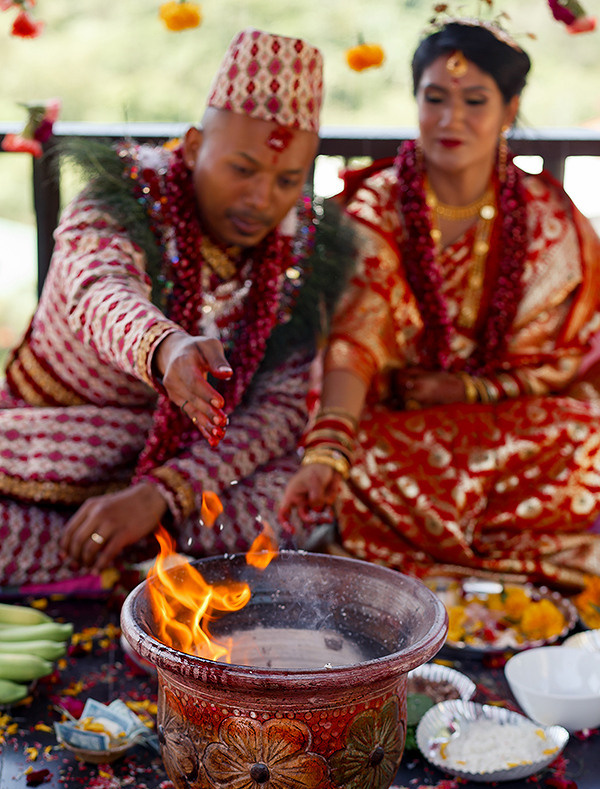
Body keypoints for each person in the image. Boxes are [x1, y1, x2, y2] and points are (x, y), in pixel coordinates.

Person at [0, 28, 351, 589]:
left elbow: (281, 409)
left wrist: (163, 492)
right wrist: (164, 346)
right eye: (242, 169)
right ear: (191, 146)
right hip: (52, 447)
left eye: (287, 179)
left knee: (297, 505)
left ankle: (129, 567)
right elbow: (99, 288)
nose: (262, 199)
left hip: (190, 467)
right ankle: (156, 575)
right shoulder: (124, 196)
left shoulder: (303, 248)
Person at [279, 14, 600, 591]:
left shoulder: (553, 220)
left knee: (586, 432)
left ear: (509, 108)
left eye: (475, 100)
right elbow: (354, 340)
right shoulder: (376, 207)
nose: (451, 120)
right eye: (434, 98)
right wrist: (329, 449)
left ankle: (435, 557)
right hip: (396, 419)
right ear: (415, 101)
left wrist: (474, 391)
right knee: (356, 455)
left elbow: (565, 357)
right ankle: (486, 560)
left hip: (506, 418)